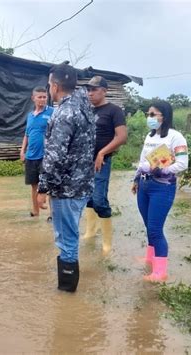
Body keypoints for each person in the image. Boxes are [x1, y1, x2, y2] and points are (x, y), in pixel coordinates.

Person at [37, 64, 95, 293]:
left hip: (66, 188)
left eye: (50, 84)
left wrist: (43, 188)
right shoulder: (84, 106)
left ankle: (66, 293)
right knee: (69, 237)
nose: (49, 89)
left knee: (66, 241)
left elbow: (55, 156)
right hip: (82, 184)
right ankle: (67, 291)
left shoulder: (64, 113)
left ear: (55, 85)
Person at [131, 100, 188, 282]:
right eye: (149, 114)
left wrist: (162, 170)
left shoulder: (175, 137)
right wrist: (136, 178)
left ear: (164, 116)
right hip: (144, 185)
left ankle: (160, 272)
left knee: (156, 229)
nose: (150, 118)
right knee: (149, 225)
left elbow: (182, 164)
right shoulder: (150, 136)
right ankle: (150, 258)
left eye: (153, 114)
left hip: (162, 187)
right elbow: (142, 161)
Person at [82, 76, 127, 256]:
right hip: (84, 163)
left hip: (102, 161)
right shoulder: (87, 111)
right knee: (88, 198)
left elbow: (121, 137)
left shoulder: (114, 111)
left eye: (94, 90)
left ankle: (107, 243)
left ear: (104, 91)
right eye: (89, 90)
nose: (90, 93)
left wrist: (102, 153)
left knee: (100, 200)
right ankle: (90, 232)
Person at [20, 87, 54, 219]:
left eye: (44, 97)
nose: (42, 99)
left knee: (50, 185)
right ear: (33, 98)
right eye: (39, 97)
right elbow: (27, 134)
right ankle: (35, 212)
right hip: (31, 155)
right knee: (34, 185)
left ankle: (52, 214)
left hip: (46, 155)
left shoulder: (52, 112)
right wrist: (23, 150)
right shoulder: (30, 115)